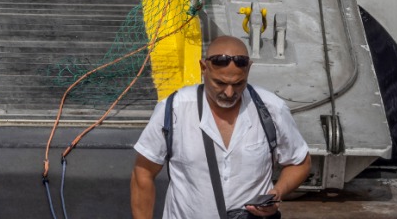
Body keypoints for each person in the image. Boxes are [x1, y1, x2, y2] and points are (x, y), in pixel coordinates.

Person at [130, 36, 311, 218]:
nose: (229, 92)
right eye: (220, 83)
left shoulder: (272, 109)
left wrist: (277, 192)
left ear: (249, 69)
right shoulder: (174, 109)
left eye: (238, 83)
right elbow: (143, 172)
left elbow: (300, 162)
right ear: (203, 68)